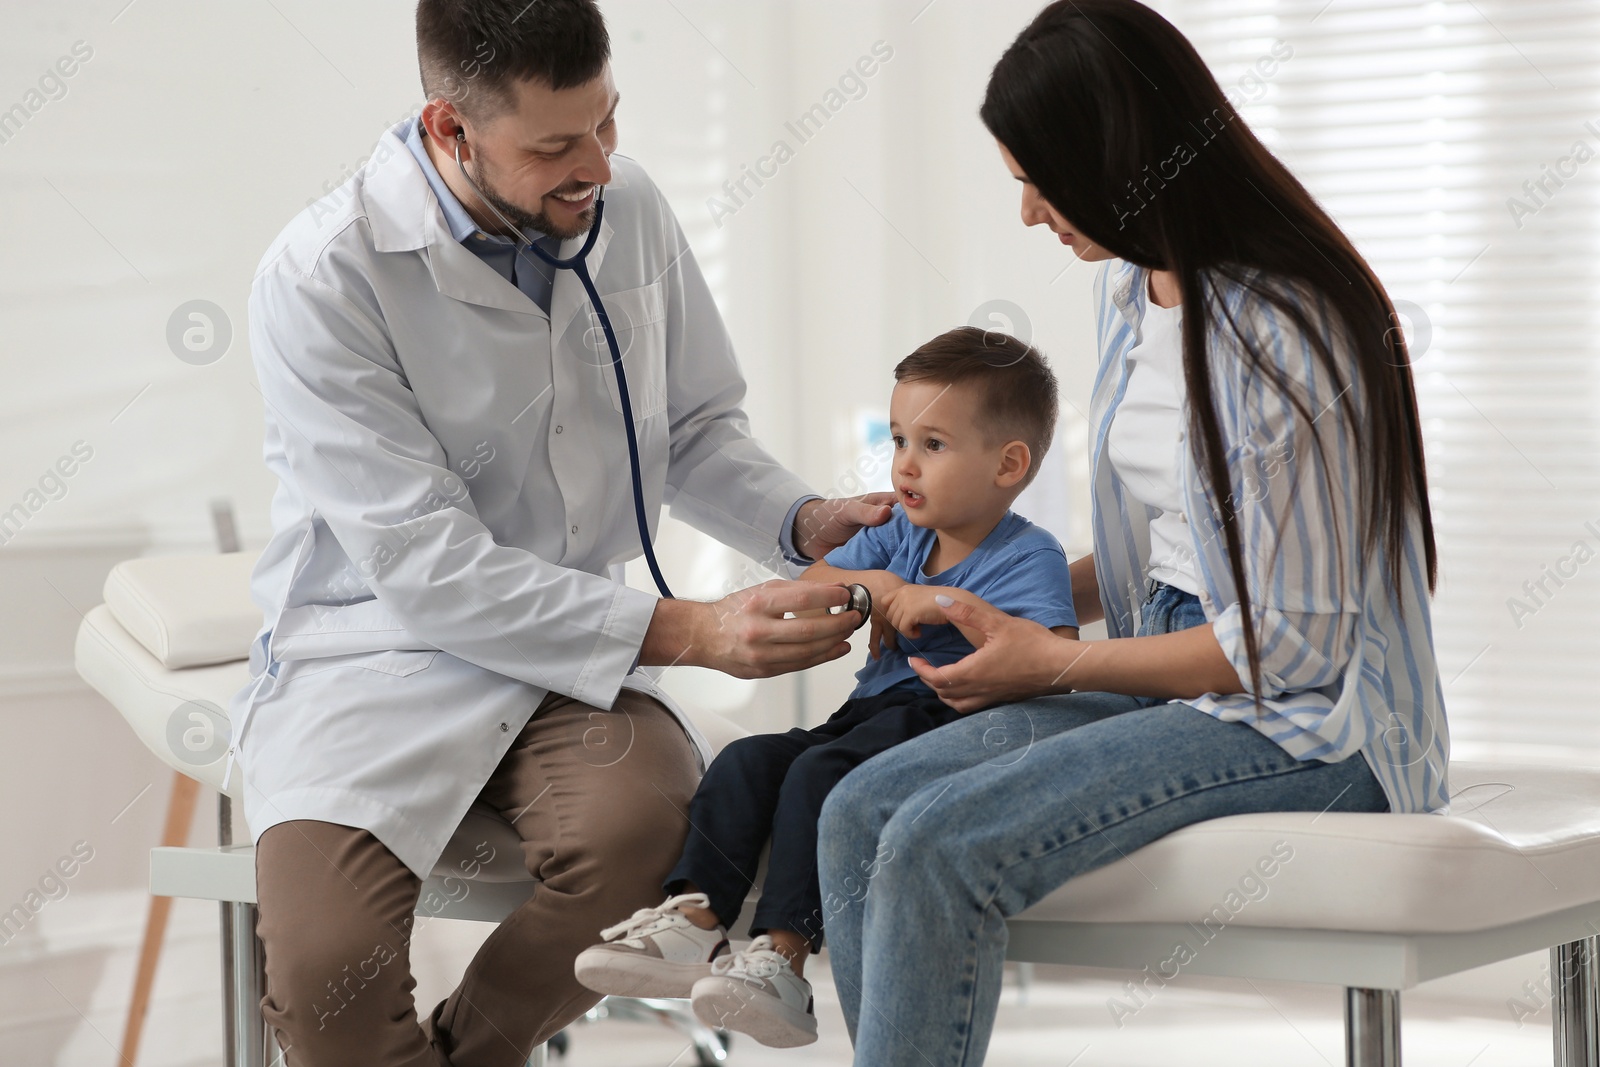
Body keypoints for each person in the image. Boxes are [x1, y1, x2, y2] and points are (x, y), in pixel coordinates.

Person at [237, 2, 893, 1063]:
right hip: (372, 664)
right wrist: (695, 631)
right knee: (326, 976)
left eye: (606, 121)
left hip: (568, 661)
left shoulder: (621, 206)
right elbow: (426, 567)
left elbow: (689, 430)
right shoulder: (326, 273)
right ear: (449, 128)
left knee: (645, 841)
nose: (597, 163)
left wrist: (802, 519)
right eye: (553, 145)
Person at [815, 3, 1452, 1065]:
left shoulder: (1283, 333)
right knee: (855, 810)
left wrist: (1052, 658)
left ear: (1116, 160)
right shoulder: (1133, 284)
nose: (1026, 212)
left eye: (1039, 178)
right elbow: (1170, 543)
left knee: (936, 841)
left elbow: (1294, 648)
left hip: (1315, 718)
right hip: (1175, 652)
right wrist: (998, 598)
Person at [571, 327, 1078, 1048]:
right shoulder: (898, 533)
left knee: (818, 775)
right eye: (900, 438)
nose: (906, 464)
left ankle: (782, 959)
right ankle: (695, 920)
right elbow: (808, 583)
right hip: (870, 709)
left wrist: (941, 610)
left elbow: (1054, 659)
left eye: (933, 445)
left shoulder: (1030, 554)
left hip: (945, 718)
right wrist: (878, 585)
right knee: (748, 761)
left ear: (1009, 464)